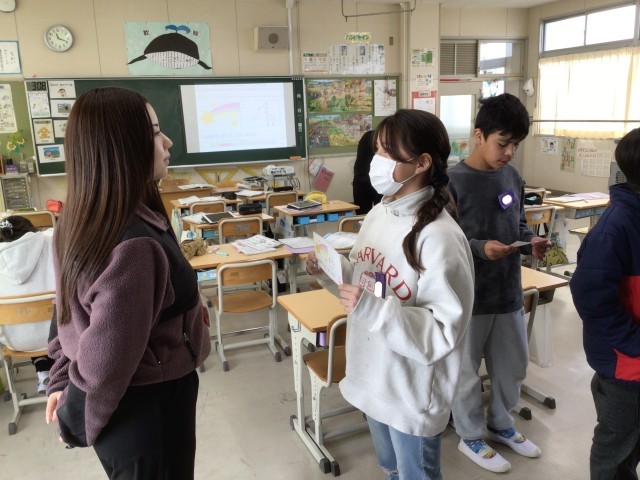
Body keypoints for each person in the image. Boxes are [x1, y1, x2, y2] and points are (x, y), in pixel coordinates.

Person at [45, 87, 211, 480]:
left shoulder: (78, 220)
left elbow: (65, 314)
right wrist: (73, 419)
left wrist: (59, 379)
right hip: (147, 409)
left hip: (132, 408)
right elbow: (105, 360)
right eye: (154, 132)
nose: (167, 142)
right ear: (121, 147)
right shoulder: (135, 245)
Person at [307, 109, 475, 479]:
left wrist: (371, 308)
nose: (376, 160)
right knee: (391, 470)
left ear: (422, 163)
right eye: (377, 150)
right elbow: (364, 281)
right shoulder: (379, 213)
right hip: (373, 376)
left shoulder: (440, 237)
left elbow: (442, 331)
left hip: (409, 393)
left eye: (387, 152)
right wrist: (330, 270)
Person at [448, 93, 551, 473]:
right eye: (503, 143)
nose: (509, 152)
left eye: (516, 145)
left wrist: (530, 241)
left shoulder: (512, 177)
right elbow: (445, 242)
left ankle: (501, 424)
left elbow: (518, 223)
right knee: (465, 373)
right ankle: (470, 435)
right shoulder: (452, 182)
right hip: (468, 297)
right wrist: (479, 248)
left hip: (507, 292)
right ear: (479, 135)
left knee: (512, 367)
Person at [569, 128, 640, 480]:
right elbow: (592, 299)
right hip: (626, 367)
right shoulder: (616, 227)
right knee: (616, 449)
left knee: (633, 444)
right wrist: (635, 344)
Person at [0, 215, 55, 394]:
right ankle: (56, 370)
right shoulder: (53, 244)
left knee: (27, 318)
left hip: (14, 339)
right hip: (59, 334)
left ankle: (42, 369)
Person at [352, 130, 382, 214]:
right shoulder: (382, 137)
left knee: (362, 214)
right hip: (376, 177)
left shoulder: (367, 135)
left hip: (360, 176)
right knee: (381, 211)